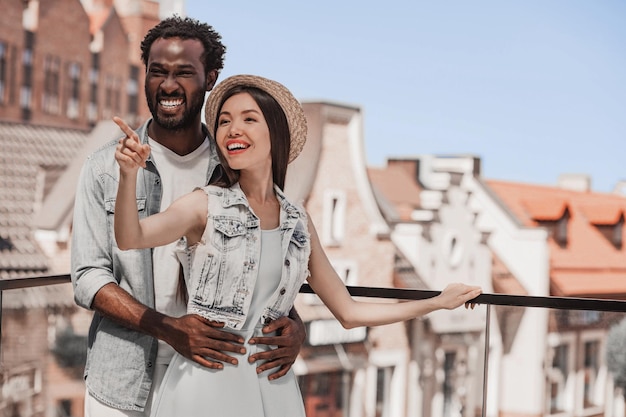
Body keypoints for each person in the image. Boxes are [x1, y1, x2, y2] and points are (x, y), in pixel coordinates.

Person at [112, 74, 483, 417]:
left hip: (273, 384)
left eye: (248, 119)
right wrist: (128, 176)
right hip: (207, 384)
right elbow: (132, 238)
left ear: (276, 132)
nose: (232, 129)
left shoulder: (297, 221)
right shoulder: (204, 204)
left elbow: (349, 312)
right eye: (224, 121)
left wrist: (437, 302)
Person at [70, 17, 305, 417]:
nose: (168, 85)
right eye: (157, 71)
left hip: (214, 376)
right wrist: (169, 329)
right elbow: (88, 276)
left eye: (184, 73)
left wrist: (294, 324)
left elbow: (267, 258)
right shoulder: (104, 168)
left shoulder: (237, 167)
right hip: (121, 381)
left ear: (211, 78)